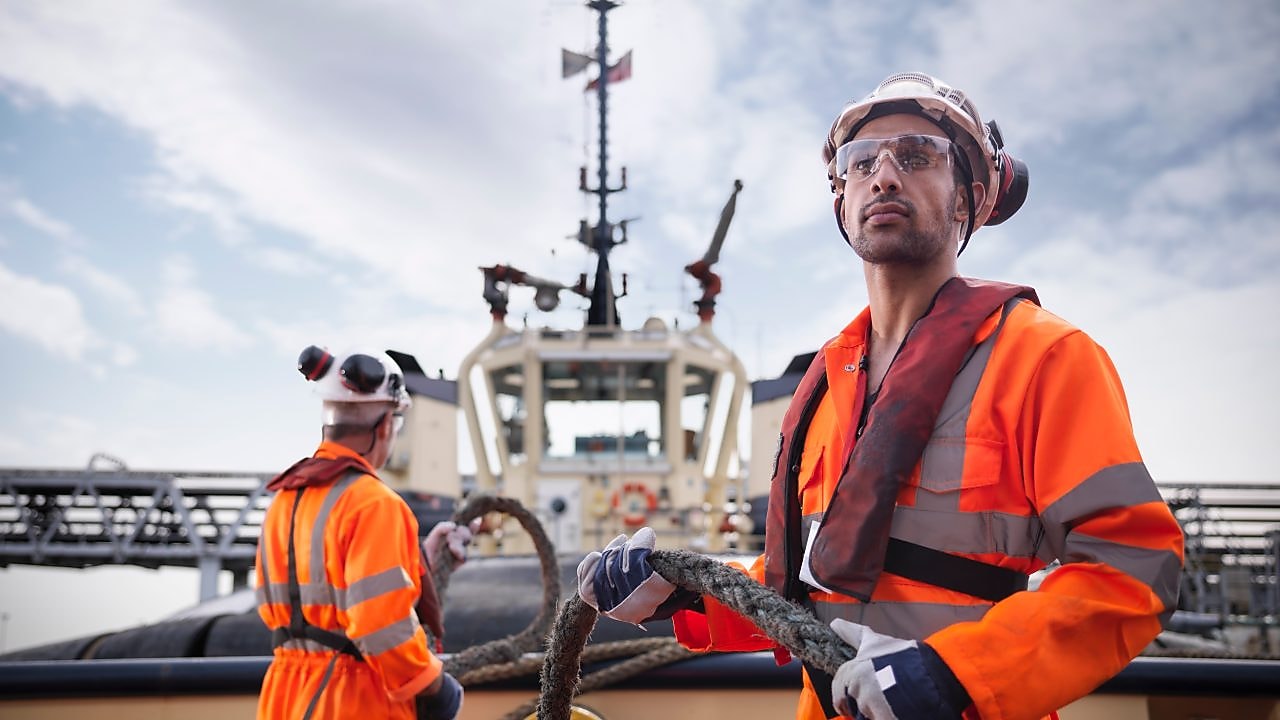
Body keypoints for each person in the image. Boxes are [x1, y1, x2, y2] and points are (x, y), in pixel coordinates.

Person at [577, 73, 1185, 720]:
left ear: (969, 198)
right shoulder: (826, 386)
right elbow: (809, 586)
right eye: (860, 163)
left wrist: (960, 677)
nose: (884, 177)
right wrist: (684, 593)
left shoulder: (1046, 359)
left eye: (917, 156)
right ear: (841, 202)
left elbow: (1132, 568)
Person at [256, 346, 473, 720]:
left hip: (284, 697)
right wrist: (434, 687)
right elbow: (380, 627)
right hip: (357, 701)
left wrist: (421, 560)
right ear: (386, 424)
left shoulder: (283, 502)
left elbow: (307, 597)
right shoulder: (375, 504)